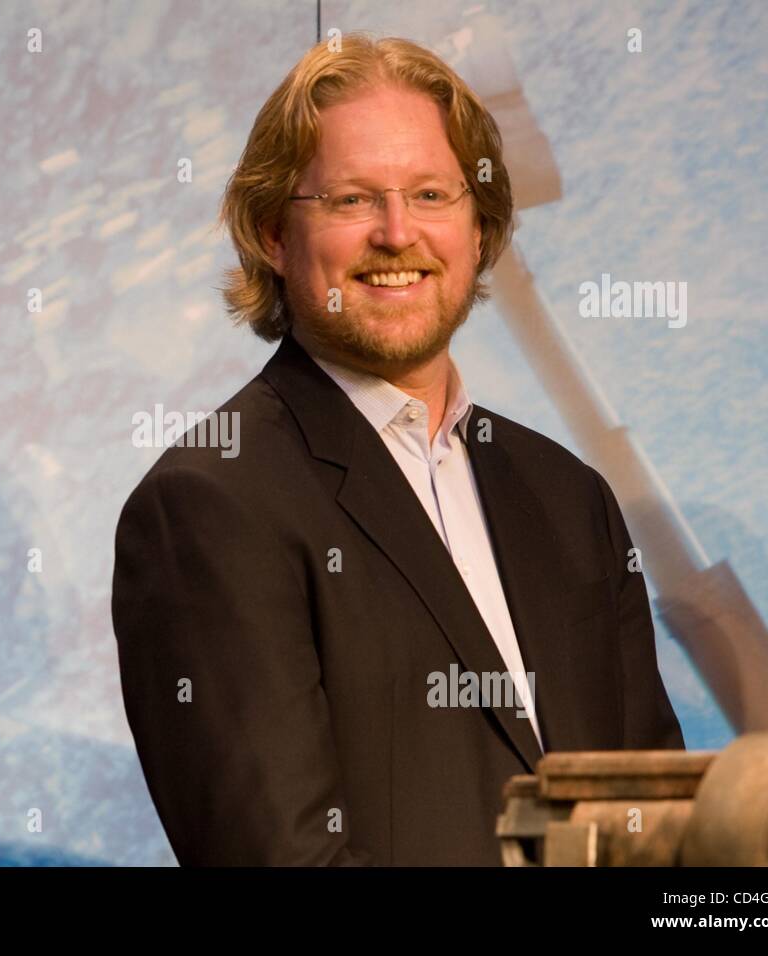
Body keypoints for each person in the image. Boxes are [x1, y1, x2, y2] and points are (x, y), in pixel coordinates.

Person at [112, 35, 684, 866]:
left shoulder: (572, 500)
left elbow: (663, 828)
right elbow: (284, 856)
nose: (396, 232)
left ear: (480, 230)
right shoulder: (208, 503)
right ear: (273, 233)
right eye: (349, 200)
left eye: (429, 193)